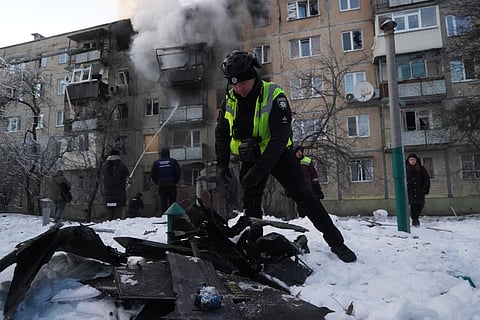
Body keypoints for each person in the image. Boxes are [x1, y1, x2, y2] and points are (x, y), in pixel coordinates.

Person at [215, 50, 356, 263]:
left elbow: (279, 139)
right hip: (250, 157)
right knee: (251, 204)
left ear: (253, 77)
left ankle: (336, 242)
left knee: (305, 197)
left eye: (242, 84)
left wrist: (260, 171)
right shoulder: (231, 99)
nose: (238, 88)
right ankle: (255, 244)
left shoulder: (274, 95)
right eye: (233, 84)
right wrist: (222, 166)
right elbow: (222, 133)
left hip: (279, 156)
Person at [151, 148, 181, 216]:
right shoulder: (173, 161)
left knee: (163, 202)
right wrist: (176, 181)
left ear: (161, 154)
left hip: (161, 185)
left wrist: (157, 182)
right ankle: (173, 216)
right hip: (171, 184)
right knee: (172, 202)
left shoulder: (156, 163)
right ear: (169, 153)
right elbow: (178, 172)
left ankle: (164, 215)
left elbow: (153, 174)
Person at [103, 148, 130, 220]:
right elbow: (128, 178)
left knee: (109, 218)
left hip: (107, 195)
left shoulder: (104, 166)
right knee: (118, 218)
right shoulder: (122, 165)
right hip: (120, 195)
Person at [405, 153, 430, 227]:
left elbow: (426, 179)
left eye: (413, 160)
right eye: (411, 160)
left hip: (420, 190)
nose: (412, 161)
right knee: (413, 205)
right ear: (408, 161)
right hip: (411, 191)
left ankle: (416, 218)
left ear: (416, 160)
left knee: (420, 205)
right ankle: (414, 221)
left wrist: (425, 188)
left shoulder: (421, 169)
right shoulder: (406, 169)